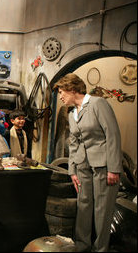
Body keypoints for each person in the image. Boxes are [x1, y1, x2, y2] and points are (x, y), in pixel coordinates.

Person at [53, 73, 122, 252]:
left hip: (103, 166)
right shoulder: (72, 113)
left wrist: (114, 168)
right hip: (82, 167)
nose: (60, 96)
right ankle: (83, 245)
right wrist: (72, 171)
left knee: (102, 211)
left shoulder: (98, 104)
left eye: (62, 92)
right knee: (83, 206)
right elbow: (74, 144)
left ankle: (100, 248)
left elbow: (112, 135)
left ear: (72, 89)